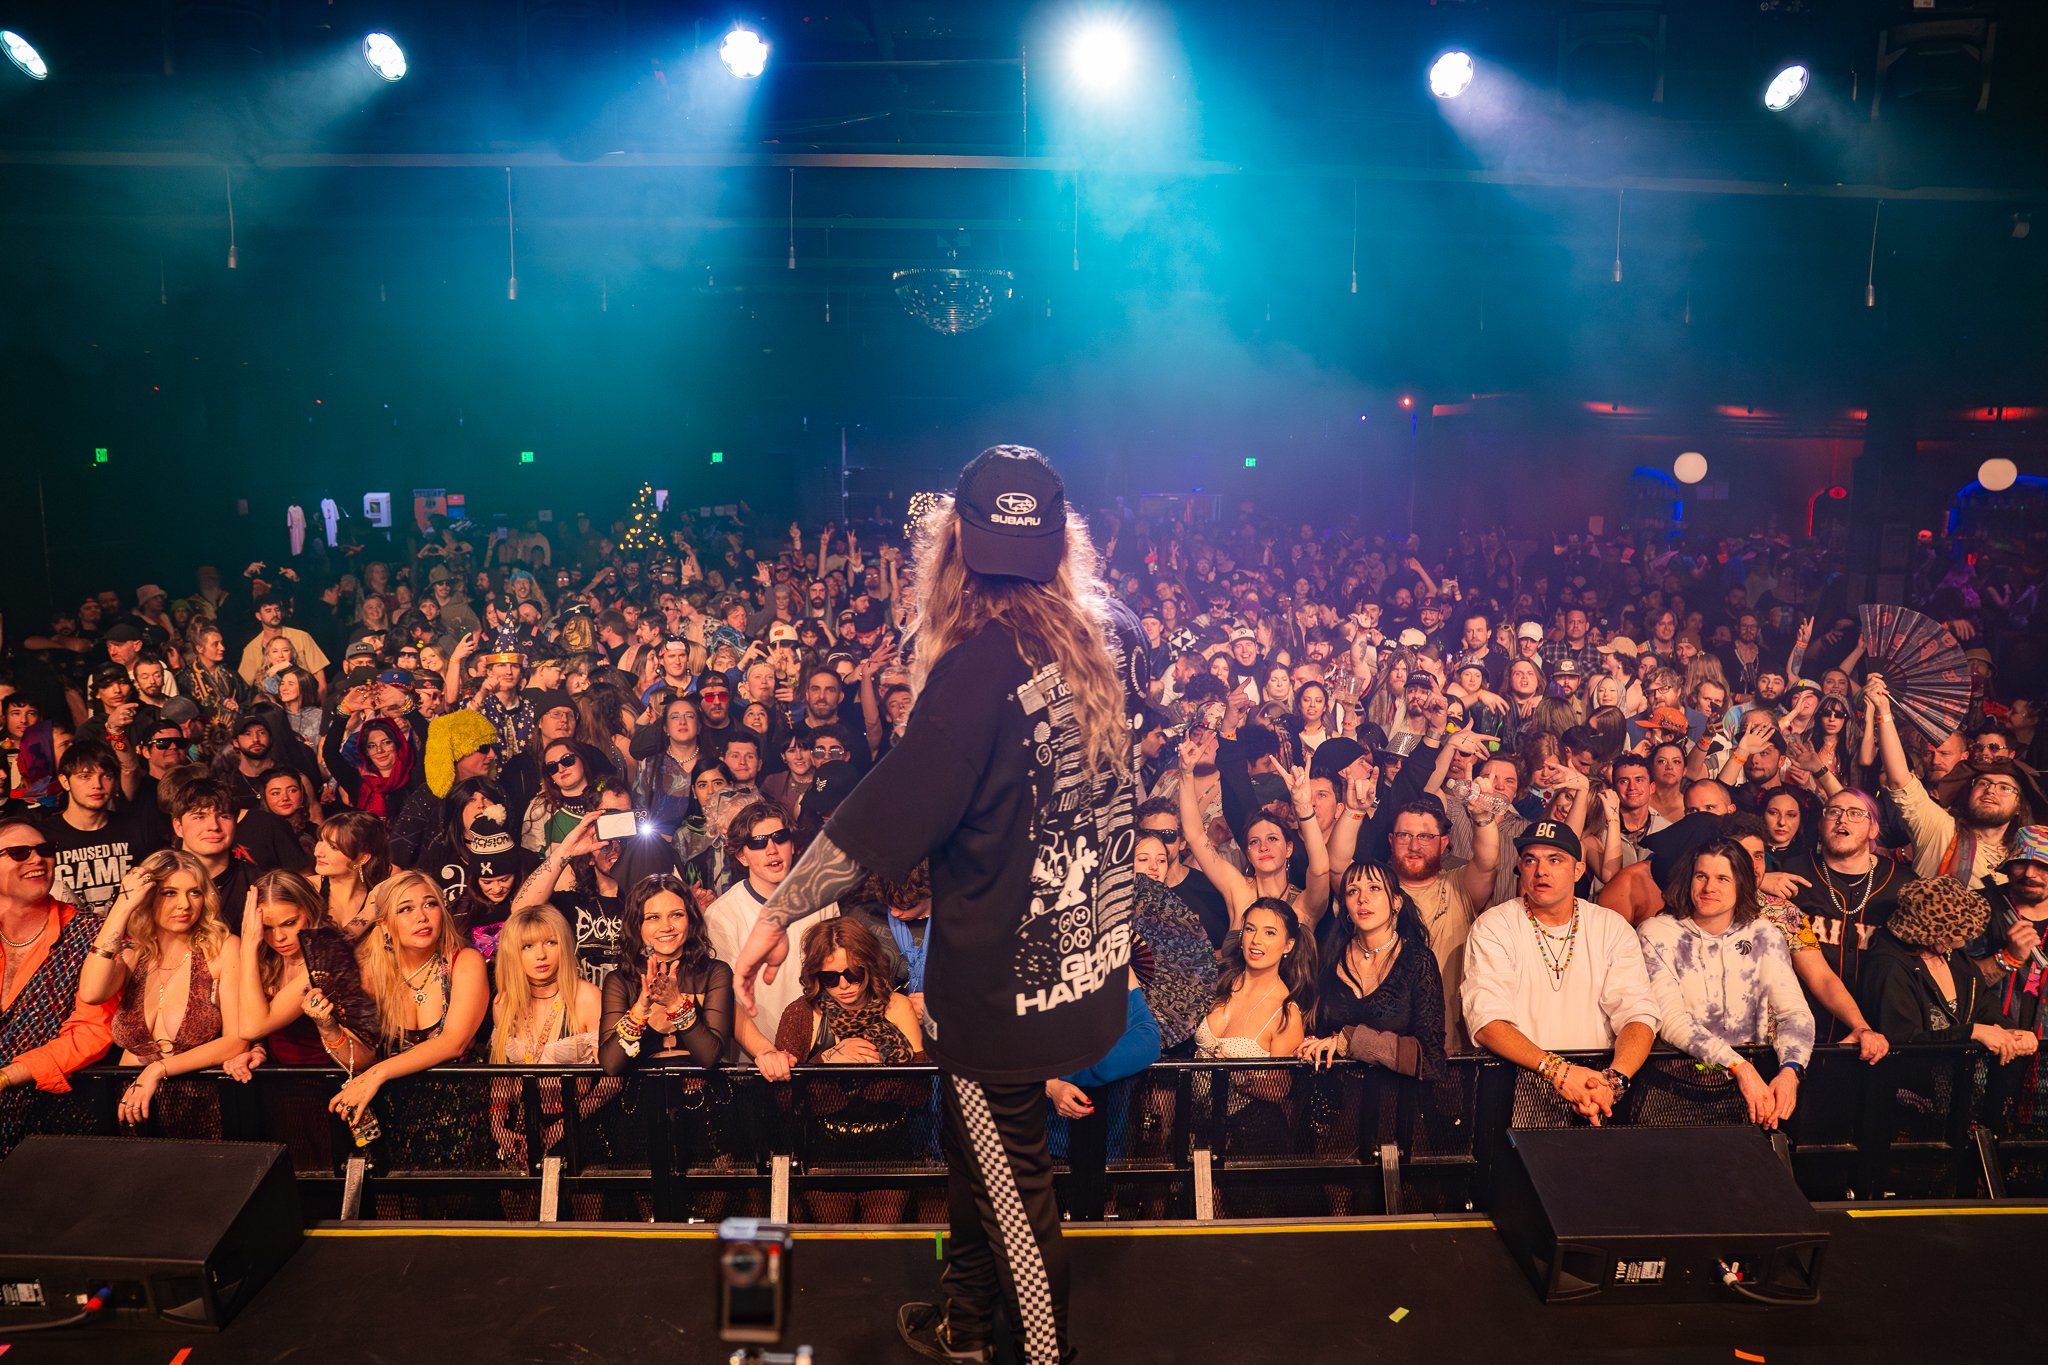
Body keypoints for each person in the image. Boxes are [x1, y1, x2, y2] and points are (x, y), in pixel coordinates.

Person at [733, 446, 1138, 1365]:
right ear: (1060, 545)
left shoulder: (976, 669)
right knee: (974, 1155)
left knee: (1016, 1191)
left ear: (955, 545)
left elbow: (884, 817)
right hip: (1072, 971)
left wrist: (774, 913)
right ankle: (966, 1321)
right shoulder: (1091, 646)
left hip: (998, 994)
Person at [1462, 821, 1659, 1125]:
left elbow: (1638, 1014)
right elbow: (1487, 1022)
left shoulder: (1610, 926)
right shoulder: (1494, 926)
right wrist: (1560, 1072)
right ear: (1520, 867)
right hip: (1519, 1090)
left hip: (1597, 1090)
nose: (1541, 871)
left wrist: (1612, 1083)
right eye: (1531, 860)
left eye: (1555, 860)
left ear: (1579, 870)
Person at [1636, 839, 1814, 1128]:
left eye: (1722, 878)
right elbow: (1670, 1020)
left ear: (1741, 884)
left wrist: (1791, 1071)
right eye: (1701, 876)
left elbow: (1794, 1012)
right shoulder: (1657, 933)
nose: (1709, 888)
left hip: (1744, 1095)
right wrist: (1738, 1066)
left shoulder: (1764, 934)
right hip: (1670, 1093)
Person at [77, 850, 246, 1125]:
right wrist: (123, 905)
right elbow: (91, 992)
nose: (184, 905)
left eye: (194, 893)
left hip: (199, 1112)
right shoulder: (133, 954)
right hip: (130, 1110)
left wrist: (157, 1070)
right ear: (147, 897)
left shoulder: (221, 949)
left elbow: (236, 1042)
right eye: (169, 893)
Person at [328, 871, 490, 1130]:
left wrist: (377, 1074)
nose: (421, 917)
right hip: (391, 1119)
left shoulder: (464, 962)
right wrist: (327, 1027)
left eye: (430, 904)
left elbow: (453, 1043)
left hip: (461, 1116)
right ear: (384, 924)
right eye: (406, 909)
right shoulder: (369, 974)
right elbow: (360, 1061)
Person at [0, 814, 117, 1154]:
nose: (37, 859)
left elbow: (91, 1033)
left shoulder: (95, 935)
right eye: (19, 853)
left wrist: (8, 1076)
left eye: (45, 850)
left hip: (57, 1126)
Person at [705, 802, 838, 1077]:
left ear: (793, 845)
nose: (772, 849)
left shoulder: (823, 899)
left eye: (780, 837)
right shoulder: (722, 915)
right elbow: (725, 998)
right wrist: (766, 1052)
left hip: (819, 1058)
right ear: (741, 856)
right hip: (754, 1064)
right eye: (758, 842)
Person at [1856, 878, 2037, 1064]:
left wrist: (2012, 1032)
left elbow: (1986, 1006)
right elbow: (1903, 1044)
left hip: (1955, 1076)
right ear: (1938, 934)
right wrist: (1971, 1032)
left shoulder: (1955, 958)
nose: (1968, 934)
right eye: (1960, 926)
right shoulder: (1889, 967)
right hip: (1909, 1080)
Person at [1297, 861, 1445, 1078]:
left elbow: (1431, 1060)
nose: (1362, 899)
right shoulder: (1330, 956)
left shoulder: (1418, 961)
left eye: (1374, 888)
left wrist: (1350, 1040)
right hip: (1333, 1092)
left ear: (1396, 901)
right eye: (1352, 891)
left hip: (1395, 1094)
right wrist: (1311, 1044)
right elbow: (1314, 1030)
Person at [229, 870, 376, 1073]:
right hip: (278, 1078)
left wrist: (247, 946)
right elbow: (255, 1023)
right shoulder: (267, 958)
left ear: (310, 911)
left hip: (326, 1080)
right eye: (267, 927)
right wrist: (259, 1049)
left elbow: (251, 1027)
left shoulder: (323, 963)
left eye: (289, 923)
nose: (279, 937)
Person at [598, 872, 733, 1073]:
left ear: (691, 919)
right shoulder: (620, 980)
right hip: (641, 1092)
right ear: (637, 925)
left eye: (676, 915)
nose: (667, 927)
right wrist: (640, 1009)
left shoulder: (715, 973)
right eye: (653, 918)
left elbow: (709, 1057)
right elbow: (611, 1065)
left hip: (703, 1090)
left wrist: (675, 1004)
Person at [41, 740, 160, 913]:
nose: (97, 784)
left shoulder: (138, 829)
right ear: (65, 781)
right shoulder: (42, 837)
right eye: (85, 776)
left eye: (107, 776)